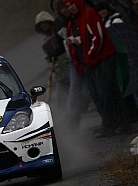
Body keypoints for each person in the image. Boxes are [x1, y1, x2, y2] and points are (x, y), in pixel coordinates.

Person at [63, 0, 131, 137]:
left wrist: (89, 55)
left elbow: (98, 36)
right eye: (68, 6)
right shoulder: (73, 21)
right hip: (90, 62)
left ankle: (116, 124)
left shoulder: (89, 13)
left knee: (107, 91)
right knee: (100, 93)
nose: (70, 8)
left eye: (72, 4)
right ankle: (112, 123)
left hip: (102, 58)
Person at [51, 0, 91, 130]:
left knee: (89, 90)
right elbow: (60, 43)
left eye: (65, 7)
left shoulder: (76, 18)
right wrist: (55, 52)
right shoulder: (59, 24)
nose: (64, 10)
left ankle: (106, 112)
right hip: (73, 59)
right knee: (74, 91)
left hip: (85, 57)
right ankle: (73, 121)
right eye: (60, 9)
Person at [35, 10, 70, 111]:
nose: (44, 26)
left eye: (45, 22)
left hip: (70, 67)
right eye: (41, 24)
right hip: (60, 74)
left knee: (85, 92)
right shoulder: (44, 42)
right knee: (59, 98)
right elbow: (48, 58)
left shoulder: (59, 33)